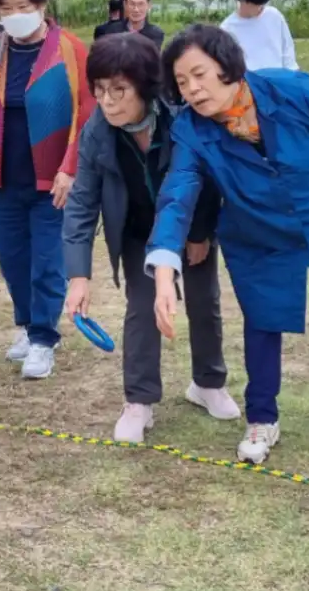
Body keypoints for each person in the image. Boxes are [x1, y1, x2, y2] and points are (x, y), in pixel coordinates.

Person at [147, 25, 309, 463]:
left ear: (227, 66)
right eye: (182, 83)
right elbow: (177, 193)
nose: (193, 90)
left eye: (199, 74)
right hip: (256, 231)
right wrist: (165, 268)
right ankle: (262, 418)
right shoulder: (191, 129)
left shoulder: (290, 89)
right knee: (262, 319)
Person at [63, 33, 238, 443]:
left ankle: (208, 383)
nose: (107, 100)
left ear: (145, 88)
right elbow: (82, 203)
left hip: (188, 225)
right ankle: (139, 401)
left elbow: (207, 183)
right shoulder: (96, 132)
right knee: (142, 308)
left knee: (203, 300)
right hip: (137, 231)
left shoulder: (182, 118)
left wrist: (199, 234)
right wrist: (78, 276)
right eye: (100, 90)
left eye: (118, 90)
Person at [0, 0, 93, 380]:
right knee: (13, 260)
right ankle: (27, 325)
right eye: (5, 9)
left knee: (47, 261)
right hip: (2, 175)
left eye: (21, 6)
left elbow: (86, 113)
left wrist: (71, 168)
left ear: (40, 3)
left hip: (51, 178)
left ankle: (43, 338)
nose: (14, 16)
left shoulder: (70, 50)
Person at [220, 0, 298, 72]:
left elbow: (287, 47)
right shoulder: (227, 29)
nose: (260, 8)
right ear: (242, 1)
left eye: (263, 4)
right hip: (250, 81)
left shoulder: (274, 15)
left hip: (279, 77)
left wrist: (292, 71)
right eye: (257, 4)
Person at [94, 0, 165, 47]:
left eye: (140, 4)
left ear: (148, 6)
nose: (136, 9)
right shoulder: (113, 31)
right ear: (125, 5)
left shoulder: (156, 33)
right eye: (132, 4)